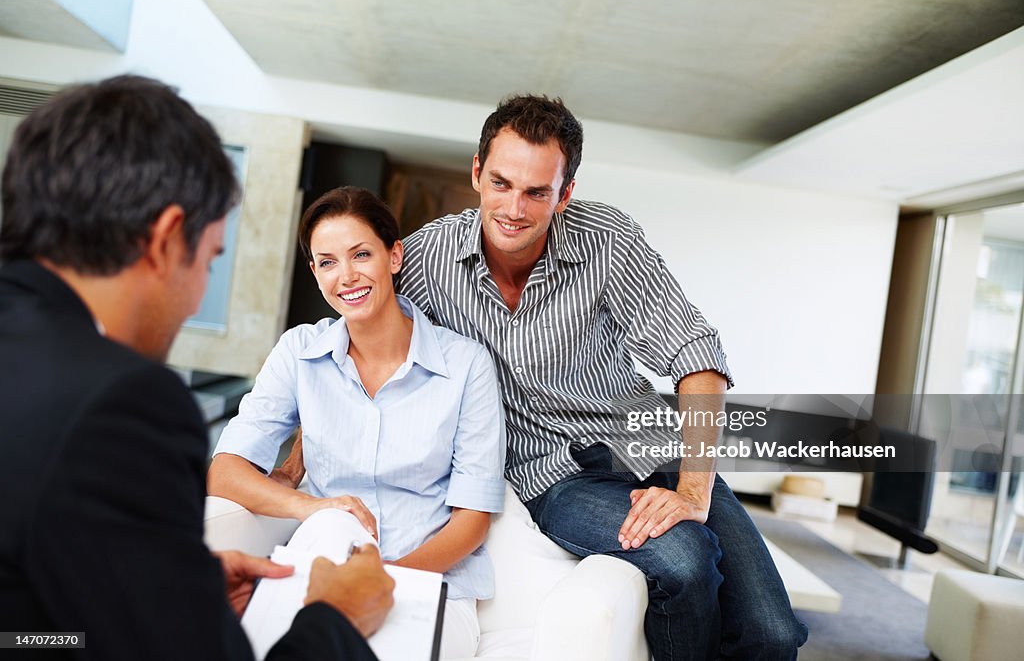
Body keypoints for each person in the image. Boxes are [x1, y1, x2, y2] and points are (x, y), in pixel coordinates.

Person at [393, 95, 810, 660]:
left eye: (537, 191)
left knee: (774, 634)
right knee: (682, 561)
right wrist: (294, 460)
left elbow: (698, 356)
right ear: (476, 173)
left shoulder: (605, 239)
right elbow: (353, 347)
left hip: (650, 444)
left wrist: (691, 489)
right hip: (554, 474)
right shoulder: (425, 259)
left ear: (565, 194)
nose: (513, 207)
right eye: (501, 183)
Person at [0, 75, 393, 660]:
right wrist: (336, 617)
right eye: (210, 259)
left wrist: (164, 589)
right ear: (164, 241)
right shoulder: (123, 403)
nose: (196, 298)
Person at [207, 187, 506, 658]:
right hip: (322, 561)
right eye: (327, 262)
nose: (346, 276)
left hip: (427, 579)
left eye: (361, 254)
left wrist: (385, 579)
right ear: (315, 273)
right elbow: (224, 473)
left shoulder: (466, 365)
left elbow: (471, 521)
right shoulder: (299, 352)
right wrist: (315, 508)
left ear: (394, 255)